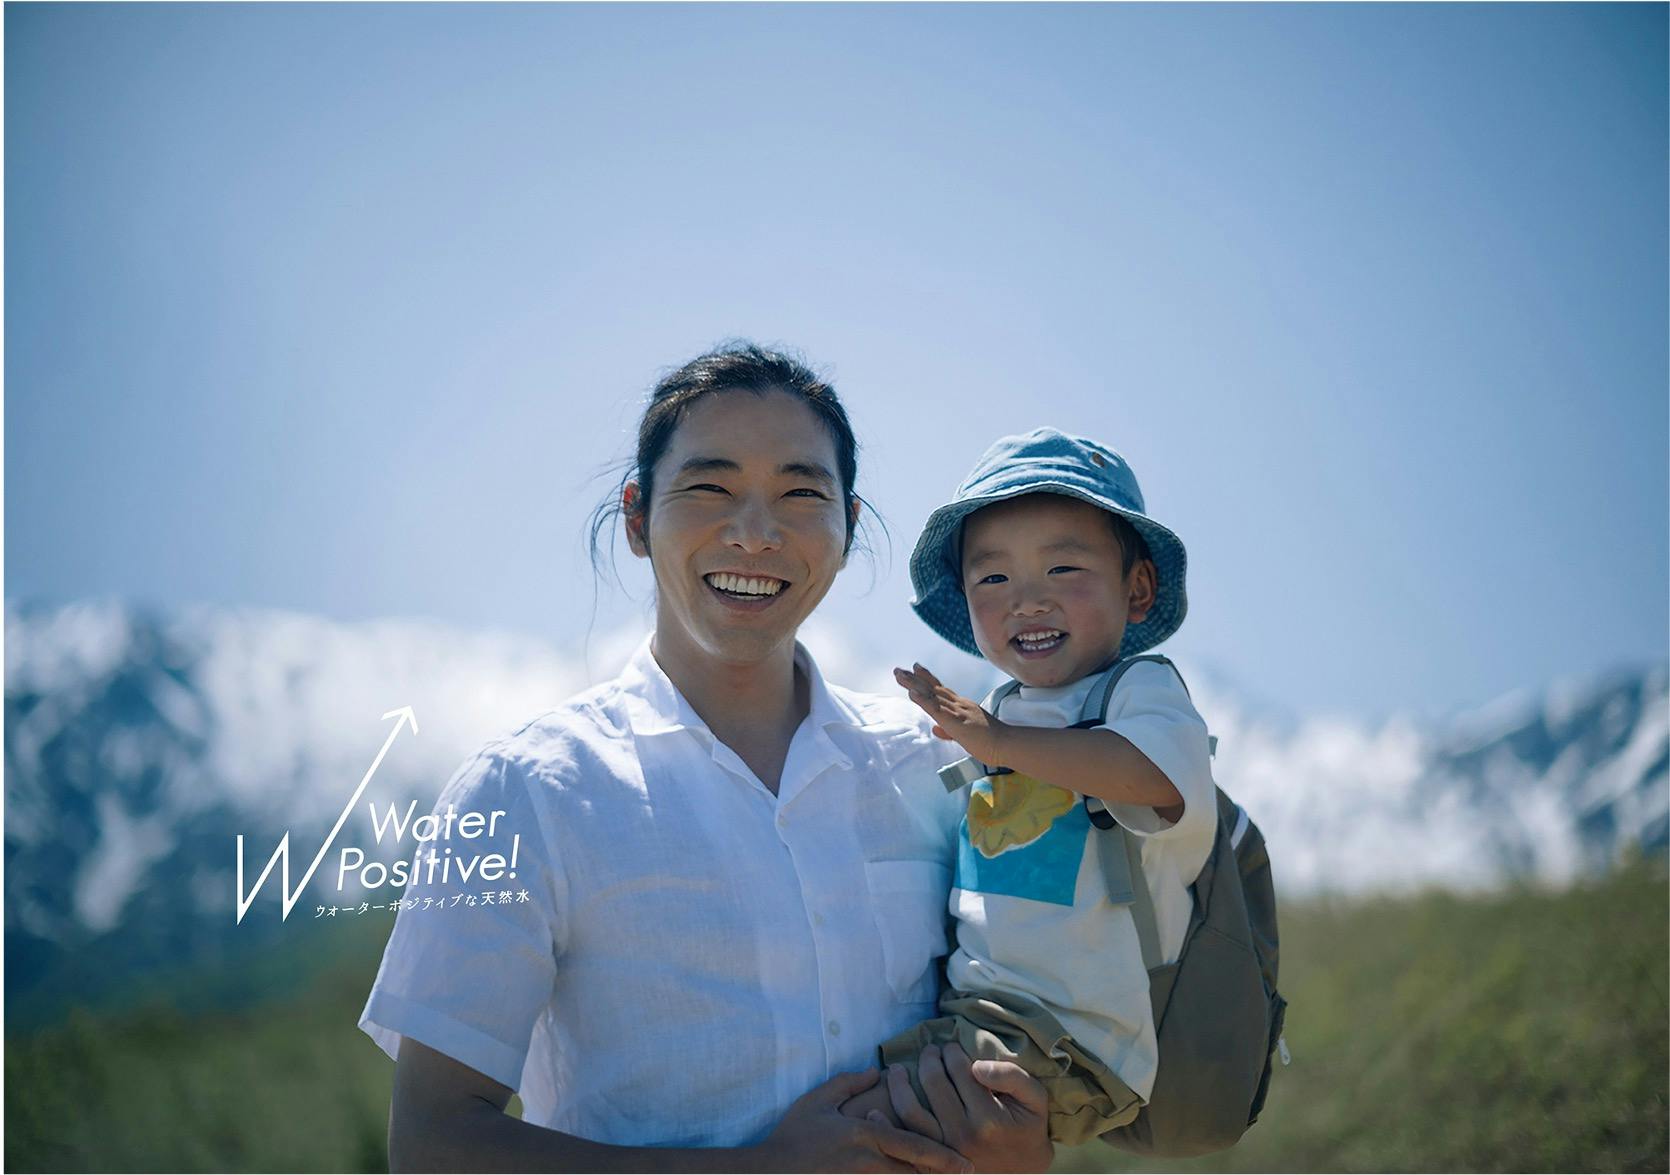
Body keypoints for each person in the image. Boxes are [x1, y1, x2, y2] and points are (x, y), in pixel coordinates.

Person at [358, 344, 1055, 1172]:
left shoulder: (935, 768)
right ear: (635, 517)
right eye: (709, 487)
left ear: (850, 528)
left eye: (801, 492)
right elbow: (434, 1146)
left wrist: (1026, 1145)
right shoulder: (525, 793)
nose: (755, 533)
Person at [836, 427, 1217, 1146]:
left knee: (876, 1130)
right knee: (844, 1107)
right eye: (994, 578)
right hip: (981, 1017)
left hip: (1077, 1033)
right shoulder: (1000, 710)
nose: (1027, 601)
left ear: (1137, 588)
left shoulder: (1140, 692)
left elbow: (1157, 778)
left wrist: (999, 743)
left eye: (1064, 568)